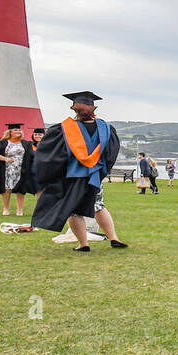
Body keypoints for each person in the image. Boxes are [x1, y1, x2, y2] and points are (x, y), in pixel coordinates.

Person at [31, 91, 127, 250]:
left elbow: (51, 153)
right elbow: (110, 154)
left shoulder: (65, 129)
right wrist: (100, 170)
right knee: (98, 206)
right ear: (93, 108)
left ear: (75, 110)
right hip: (94, 175)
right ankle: (114, 238)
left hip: (72, 176)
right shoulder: (106, 129)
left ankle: (83, 244)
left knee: (74, 211)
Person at [0, 124, 37, 216]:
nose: (18, 132)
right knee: (7, 189)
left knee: (21, 190)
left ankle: (20, 210)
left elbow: (31, 155)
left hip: (22, 169)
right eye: (15, 130)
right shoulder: (2, 143)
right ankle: (6, 209)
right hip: (7, 170)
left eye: (19, 130)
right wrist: (5, 159)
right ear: (9, 132)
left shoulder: (26, 143)